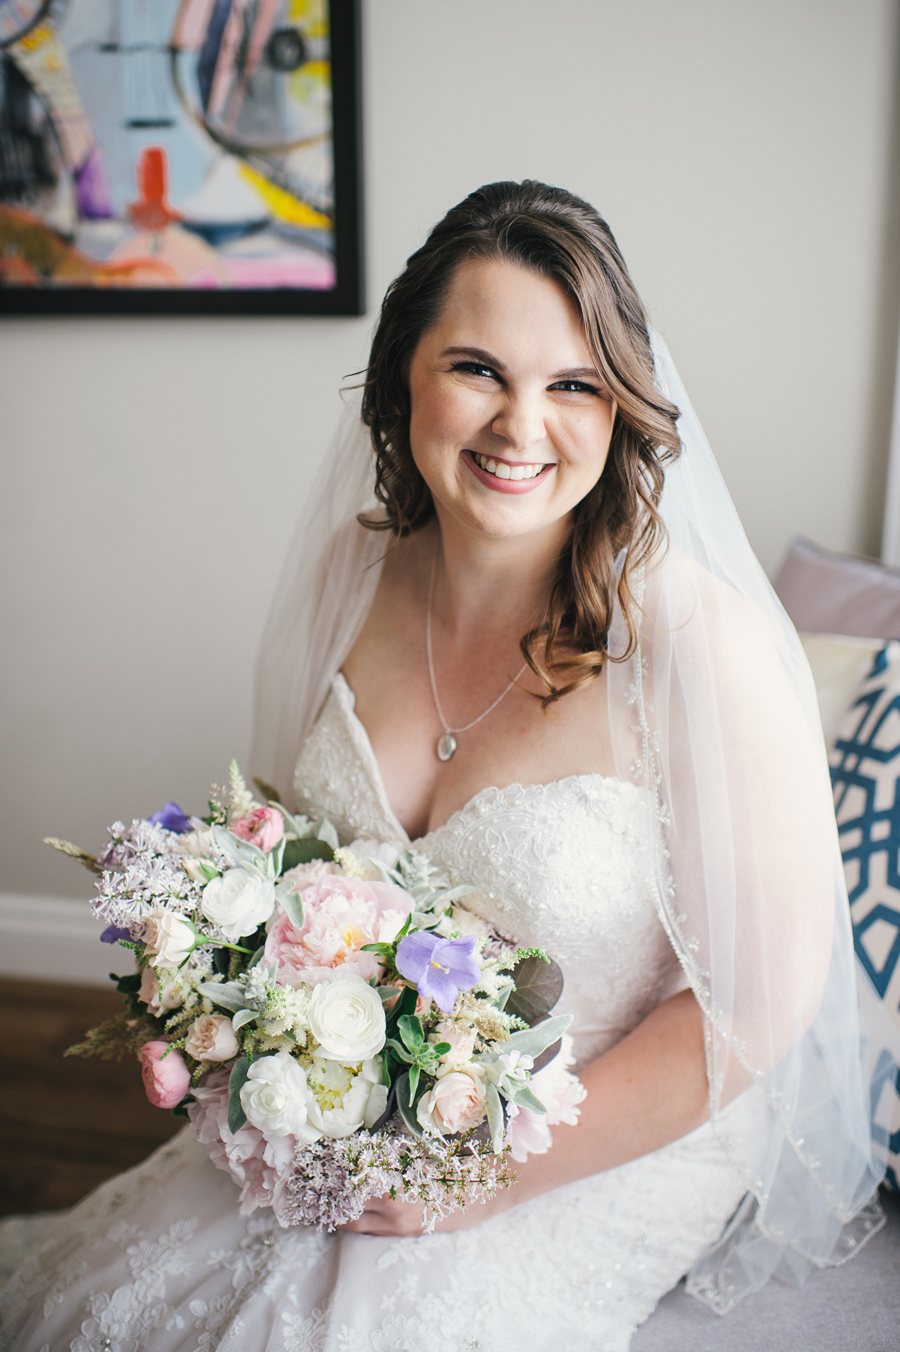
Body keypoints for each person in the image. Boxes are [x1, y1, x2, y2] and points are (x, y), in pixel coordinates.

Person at [0, 181, 884, 1351]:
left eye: (573, 384)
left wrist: (477, 1180)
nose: (522, 427)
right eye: (479, 369)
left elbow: (754, 1014)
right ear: (401, 378)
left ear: (620, 408)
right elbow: (286, 851)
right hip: (367, 1086)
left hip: (615, 1113)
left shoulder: (695, 641)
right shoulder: (355, 569)